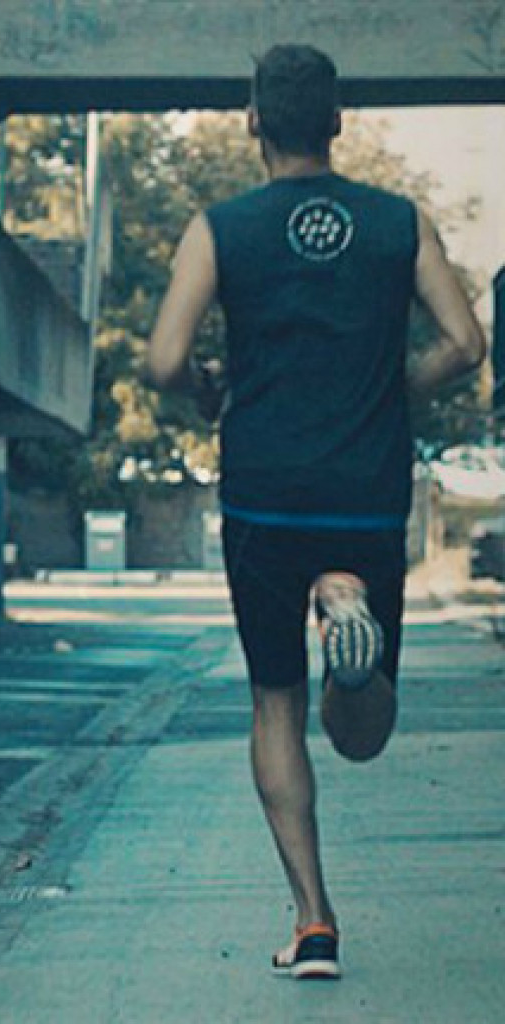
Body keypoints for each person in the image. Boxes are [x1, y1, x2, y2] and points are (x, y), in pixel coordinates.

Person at [145, 44, 487, 980]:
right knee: (361, 734)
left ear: (253, 122)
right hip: (364, 493)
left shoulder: (220, 229)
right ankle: (345, 608)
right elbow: (465, 343)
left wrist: (208, 388)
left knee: (276, 703)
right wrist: (392, 388)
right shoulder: (399, 222)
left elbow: (164, 360)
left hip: (264, 493)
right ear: (337, 122)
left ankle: (314, 922)